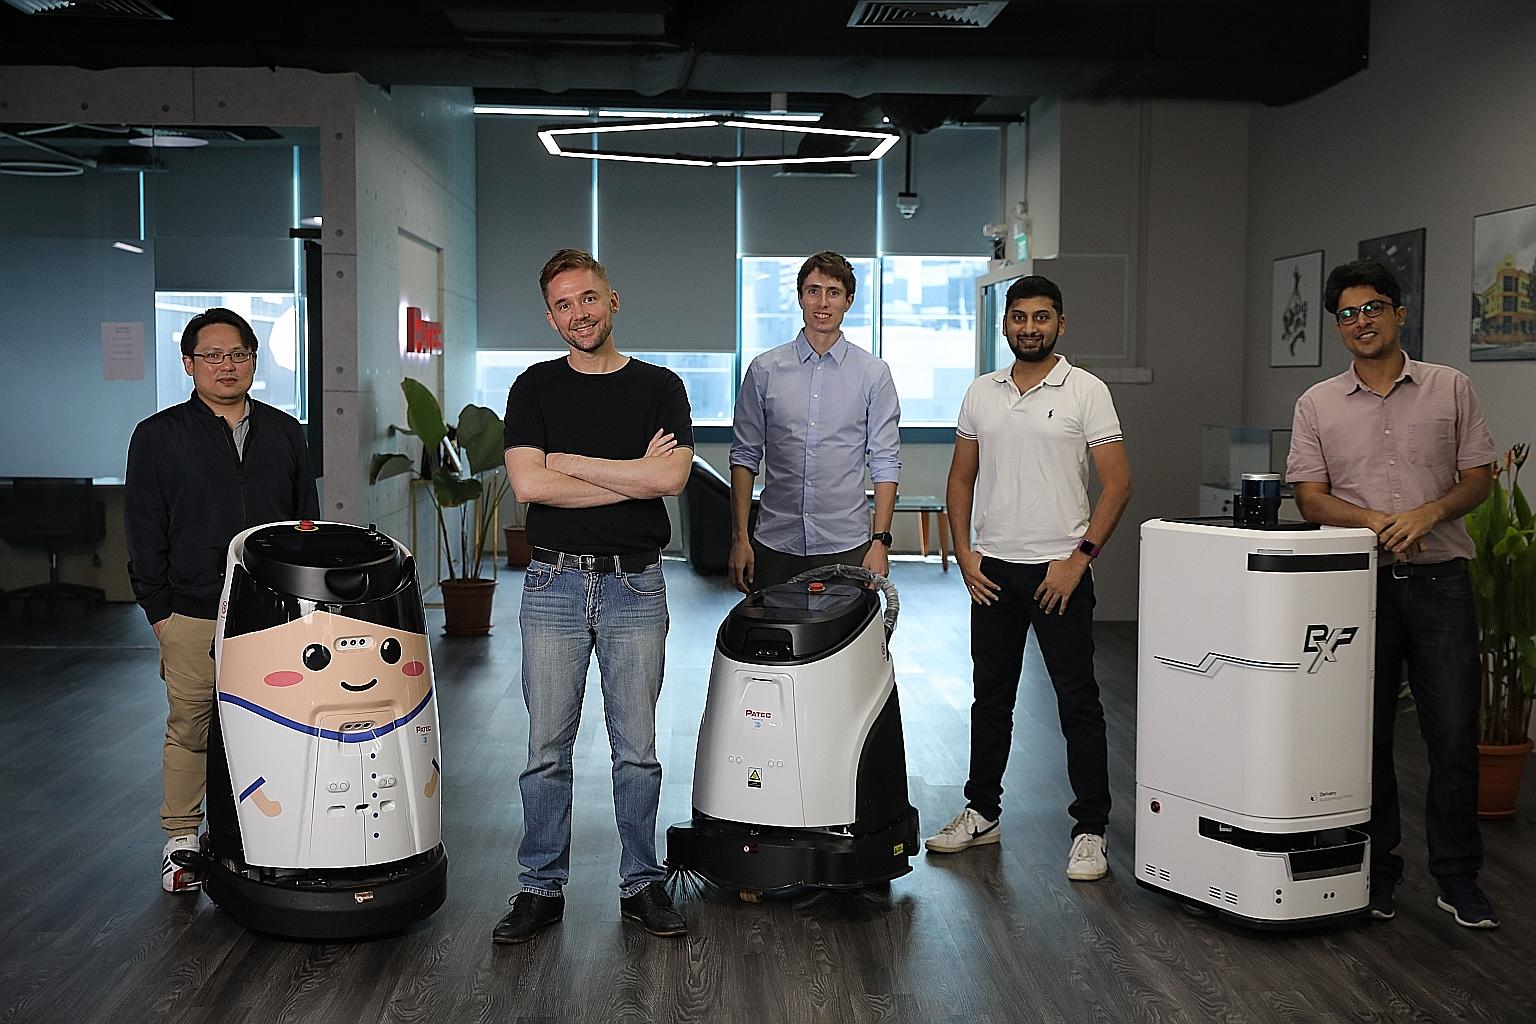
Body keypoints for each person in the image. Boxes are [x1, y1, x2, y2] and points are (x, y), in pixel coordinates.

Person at [1286, 258, 1498, 929]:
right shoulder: (1316, 404)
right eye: (1346, 314)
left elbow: (1479, 477)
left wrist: (1428, 514)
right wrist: (1376, 521)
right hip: (1356, 589)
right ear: (1338, 327)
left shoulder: (1450, 388)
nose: (1361, 322)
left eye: (1372, 308)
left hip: (1441, 584)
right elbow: (1310, 497)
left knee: (1454, 735)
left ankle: (1457, 878)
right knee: (1363, 739)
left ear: (1400, 313)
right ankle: (1378, 872)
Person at [495, 248, 693, 945]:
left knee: (636, 748)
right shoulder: (533, 388)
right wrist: (630, 471)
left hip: (635, 582)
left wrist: (571, 461)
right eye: (562, 304)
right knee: (546, 746)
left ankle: (642, 882)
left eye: (588, 298)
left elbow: (669, 482)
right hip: (552, 581)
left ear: (614, 300)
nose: (577, 313)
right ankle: (539, 888)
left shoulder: (661, 385)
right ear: (551, 317)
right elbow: (529, 486)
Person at [926, 275, 1132, 883]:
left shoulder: (1086, 390)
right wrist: (964, 554)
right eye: (1019, 318)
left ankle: (1090, 829)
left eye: (1041, 318)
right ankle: (982, 811)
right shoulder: (981, 392)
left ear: (1060, 325)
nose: (1029, 328)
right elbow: (960, 478)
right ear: (1006, 324)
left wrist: (1079, 559)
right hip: (992, 572)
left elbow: (1118, 484)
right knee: (990, 698)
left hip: (1058, 573)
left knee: (1078, 702)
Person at [124, 306, 319, 893]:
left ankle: (273, 837)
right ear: (189, 364)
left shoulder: (285, 432)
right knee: (192, 723)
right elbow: (143, 526)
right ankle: (182, 842)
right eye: (212, 356)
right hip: (191, 609)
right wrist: (158, 609)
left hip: (272, 613)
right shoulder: (158, 437)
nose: (226, 365)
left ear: (254, 360)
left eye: (237, 354)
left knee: (277, 726)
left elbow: (303, 523)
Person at [729, 250, 901, 592]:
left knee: (846, 644)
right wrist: (740, 539)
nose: (822, 302)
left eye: (833, 292)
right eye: (813, 290)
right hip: (775, 543)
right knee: (774, 644)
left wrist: (879, 542)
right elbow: (744, 457)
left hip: (848, 544)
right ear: (800, 297)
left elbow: (885, 461)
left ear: (848, 301)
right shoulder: (764, 370)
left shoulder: (873, 374)